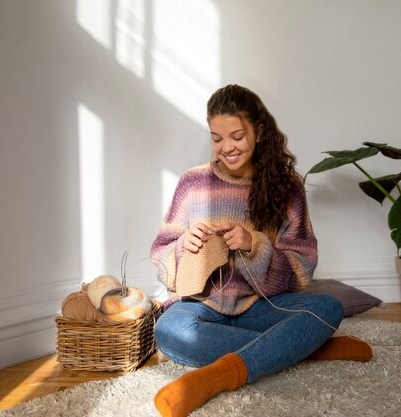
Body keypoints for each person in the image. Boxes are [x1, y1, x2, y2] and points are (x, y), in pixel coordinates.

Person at [150, 84, 372, 417]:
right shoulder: (192, 183)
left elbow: (302, 268)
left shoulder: (287, 187)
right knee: (168, 331)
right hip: (203, 307)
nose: (227, 148)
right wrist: (185, 246)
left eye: (237, 136)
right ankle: (304, 348)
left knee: (327, 307)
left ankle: (219, 376)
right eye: (217, 138)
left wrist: (255, 244)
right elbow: (160, 257)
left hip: (260, 307)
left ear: (259, 132)